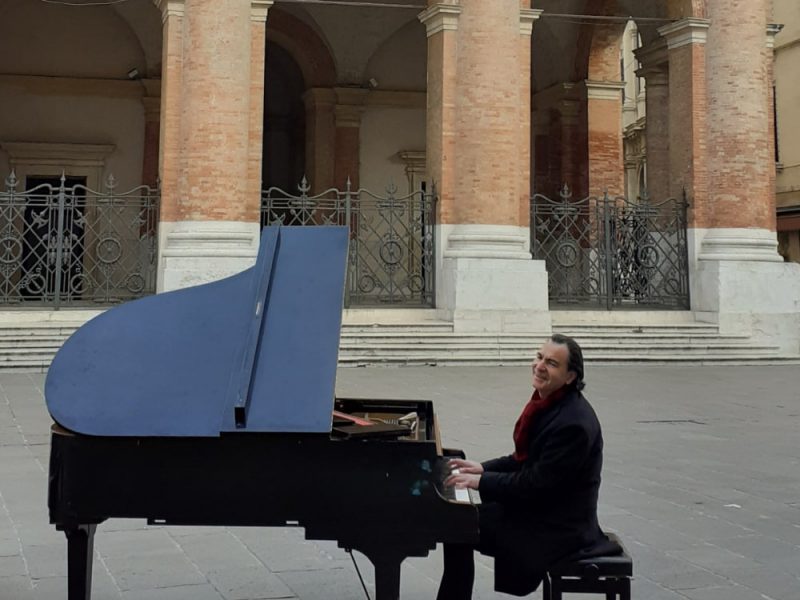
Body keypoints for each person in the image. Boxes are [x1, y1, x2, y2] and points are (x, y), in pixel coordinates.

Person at [437, 334, 615, 599]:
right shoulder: (552, 404)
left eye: (552, 363)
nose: (540, 366)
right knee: (459, 523)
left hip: (556, 528)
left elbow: (535, 483)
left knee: (458, 526)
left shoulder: (573, 424)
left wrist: (481, 482)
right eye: (539, 357)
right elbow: (523, 459)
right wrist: (482, 469)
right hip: (542, 511)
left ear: (570, 377)